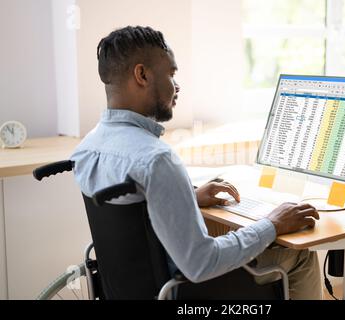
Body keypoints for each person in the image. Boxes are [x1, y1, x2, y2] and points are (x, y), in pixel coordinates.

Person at [71, 26, 322, 300]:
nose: (176, 86)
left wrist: (187, 197)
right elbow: (202, 263)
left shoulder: (89, 146)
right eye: (171, 73)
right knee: (299, 254)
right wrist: (272, 224)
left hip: (134, 290)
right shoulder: (156, 159)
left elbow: (135, 214)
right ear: (142, 75)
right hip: (188, 293)